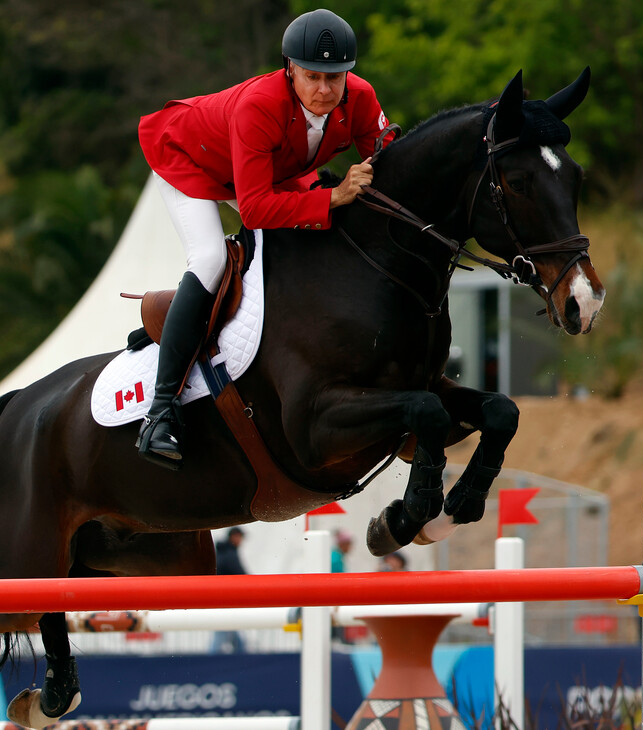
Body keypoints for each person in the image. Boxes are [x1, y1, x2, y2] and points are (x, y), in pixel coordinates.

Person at [135, 8, 395, 467]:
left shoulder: (360, 98)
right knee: (212, 259)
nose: (323, 90)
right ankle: (160, 412)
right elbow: (254, 209)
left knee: (314, 237)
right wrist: (333, 196)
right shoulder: (261, 105)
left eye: (334, 78)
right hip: (189, 160)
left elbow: (392, 162)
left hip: (263, 172)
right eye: (312, 76)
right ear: (289, 68)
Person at [210, 527, 248, 653]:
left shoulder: (223, 552)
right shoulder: (229, 554)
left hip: (221, 599)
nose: (241, 540)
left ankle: (243, 657)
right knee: (223, 632)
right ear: (234, 537)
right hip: (225, 601)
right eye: (239, 537)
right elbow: (241, 574)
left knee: (229, 632)